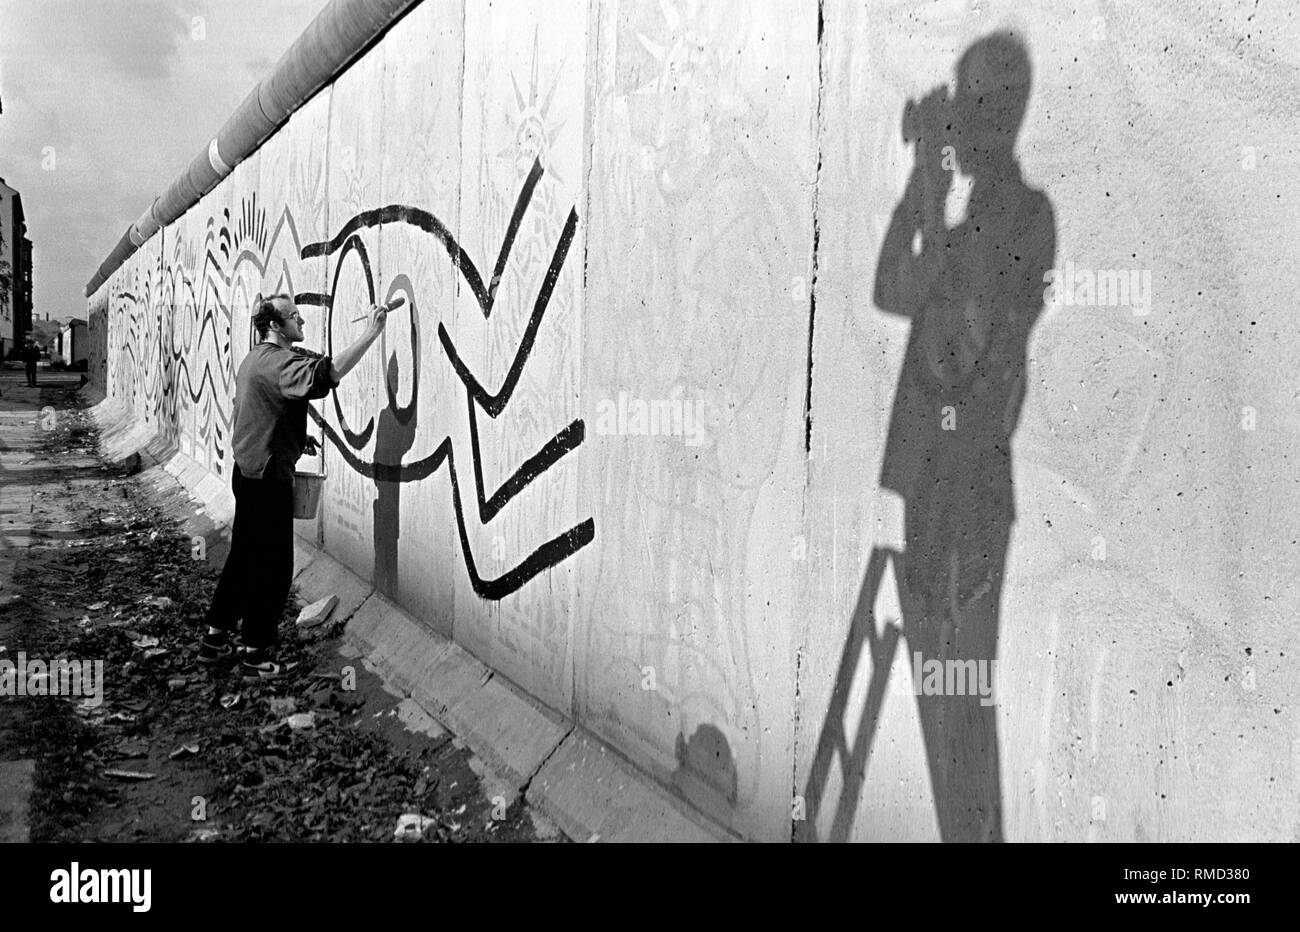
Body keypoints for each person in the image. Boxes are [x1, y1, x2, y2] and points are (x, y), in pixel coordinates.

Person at [197, 293, 389, 679]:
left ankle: (214, 639)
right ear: (274, 325)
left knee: (243, 557)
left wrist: (294, 440)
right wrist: (373, 331)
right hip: (268, 479)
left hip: (247, 472)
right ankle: (256, 655)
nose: (301, 321)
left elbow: (260, 411)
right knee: (273, 565)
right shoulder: (281, 364)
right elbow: (328, 374)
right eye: (293, 316)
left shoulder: (254, 359)